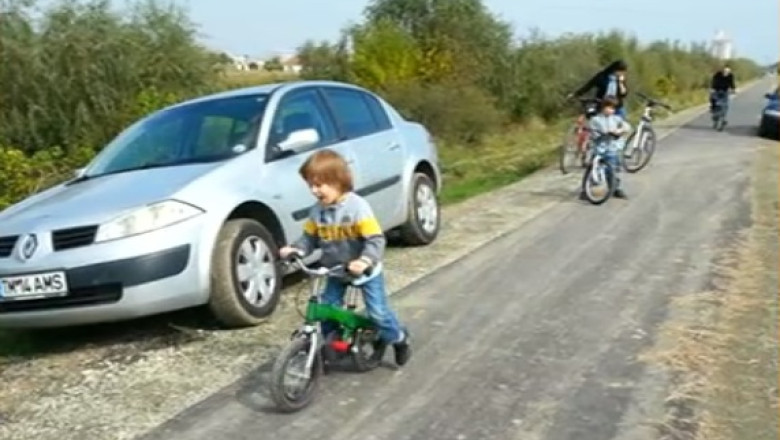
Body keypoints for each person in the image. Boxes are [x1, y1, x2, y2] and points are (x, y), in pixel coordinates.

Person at [279, 149, 412, 366]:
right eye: (310, 185)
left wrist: (364, 261)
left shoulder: (357, 207)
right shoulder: (317, 211)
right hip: (336, 271)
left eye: (319, 185)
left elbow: (376, 240)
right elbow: (309, 239)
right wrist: (296, 250)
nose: (314, 191)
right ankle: (333, 345)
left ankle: (399, 338)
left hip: (365, 271)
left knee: (378, 314)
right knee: (327, 311)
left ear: (337, 180)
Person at [580, 96, 631, 200]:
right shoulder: (596, 120)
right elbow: (591, 132)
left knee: (612, 169)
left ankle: (615, 188)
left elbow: (627, 127)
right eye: (608, 108)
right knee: (592, 168)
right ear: (603, 107)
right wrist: (596, 136)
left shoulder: (616, 119)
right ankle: (586, 190)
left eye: (613, 108)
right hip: (599, 148)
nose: (610, 110)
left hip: (612, 148)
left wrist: (619, 131)